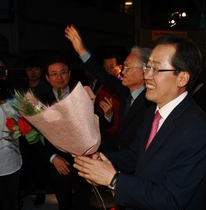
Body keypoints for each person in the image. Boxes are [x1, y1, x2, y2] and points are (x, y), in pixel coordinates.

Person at [72, 34, 206, 210]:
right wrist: (99, 159)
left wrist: (114, 180)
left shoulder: (198, 130)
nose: (146, 75)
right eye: (147, 67)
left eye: (156, 69)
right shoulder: (153, 112)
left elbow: (172, 199)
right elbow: (135, 156)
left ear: (182, 78)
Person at [65, 24, 153, 151]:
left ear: (144, 71)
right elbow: (103, 76)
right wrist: (81, 51)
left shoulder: (151, 101)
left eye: (128, 67)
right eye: (124, 67)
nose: (123, 72)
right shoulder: (126, 92)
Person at [42, 55, 93, 210]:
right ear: (47, 77)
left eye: (63, 72)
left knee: (83, 203)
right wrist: (53, 157)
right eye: (54, 73)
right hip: (58, 164)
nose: (59, 77)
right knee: (64, 204)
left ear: (69, 74)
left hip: (84, 161)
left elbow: (96, 125)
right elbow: (36, 138)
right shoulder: (40, 102)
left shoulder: (83, 96)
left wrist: (108, 116)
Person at [16, 55, 50, 208]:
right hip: (23, 133)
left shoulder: (46, 88)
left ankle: (41, 191)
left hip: (40, 134)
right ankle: (22, 191)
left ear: (41, 70)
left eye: (36, 69)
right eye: (30, 69)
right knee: (23, 164)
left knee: (40, 165)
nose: (33, 72)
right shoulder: (21, 86)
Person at [0, 58, 23, 210]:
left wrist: (3, 101)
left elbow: (19, 126)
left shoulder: (14, 98)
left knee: (9, 203)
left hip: (10, 162)